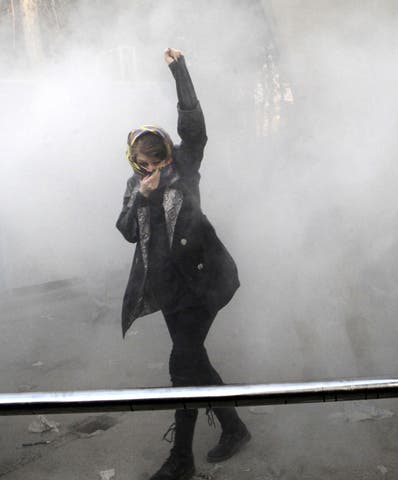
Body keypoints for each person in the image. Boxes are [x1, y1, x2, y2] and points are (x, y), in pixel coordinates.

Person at [116, 48, 250, 480]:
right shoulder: (135, 187)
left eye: (158, 163)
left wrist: (180, 70)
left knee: (182, 366)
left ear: (169, 157)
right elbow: (127, 230)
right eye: (144, 164)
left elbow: (195, 130)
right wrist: (143, 195)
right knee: (196, 362)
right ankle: (234, 428)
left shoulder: (185, 169)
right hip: (170, 292)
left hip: (204, 286)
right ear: (136, 161)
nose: (152, 171)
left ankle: (181, 460)